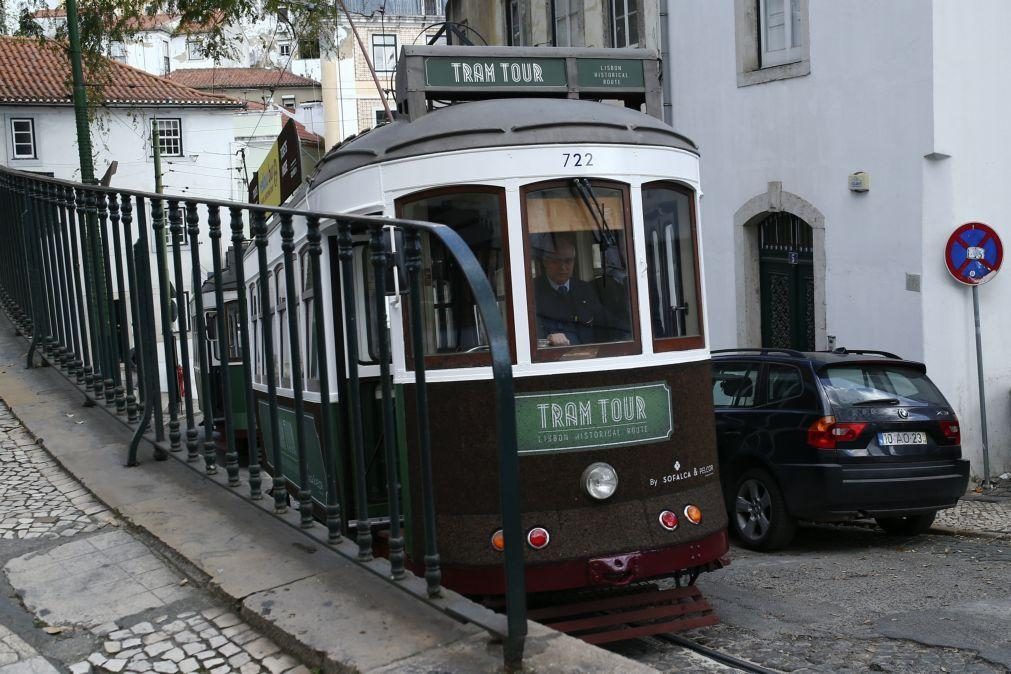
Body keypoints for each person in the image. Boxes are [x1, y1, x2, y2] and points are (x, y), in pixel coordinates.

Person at [534, 237, 607, 346]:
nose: (563, 267)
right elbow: (526, 334)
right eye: (556, 261)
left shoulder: (585, 289)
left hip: (588, 356)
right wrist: (547, 339)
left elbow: (604, 324)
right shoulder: (532, 291)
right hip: (552, 358)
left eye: (568, 261)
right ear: (545, 262)